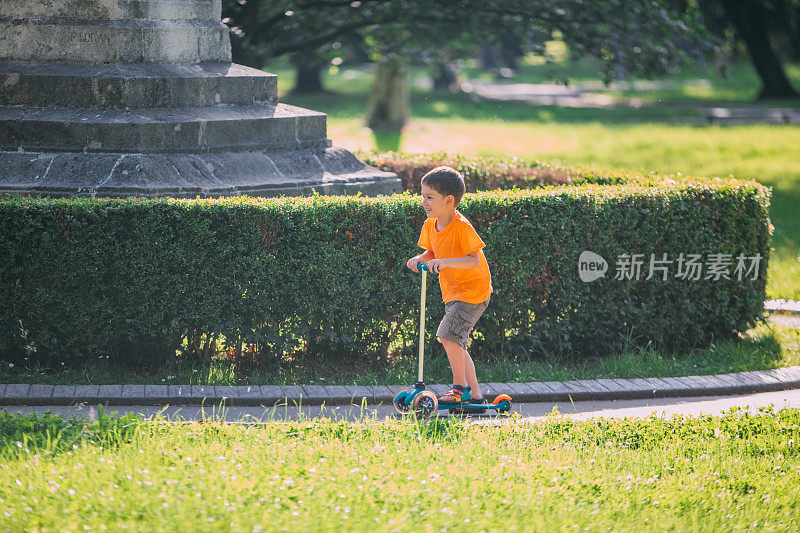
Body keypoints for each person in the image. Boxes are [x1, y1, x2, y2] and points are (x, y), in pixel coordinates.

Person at [405, 166, 493, 413]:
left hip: (473, 292)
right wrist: (420, 258)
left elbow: (473, 259)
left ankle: (459, 389)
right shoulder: (430, 224)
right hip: (454, 292)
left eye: (429, 197)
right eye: (422, 196)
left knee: (447, 335)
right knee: (456, 341)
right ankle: (475, 397)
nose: (423, 202)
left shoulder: (461, 226)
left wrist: (444, 262)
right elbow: (431, 252)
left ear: (449, 201)